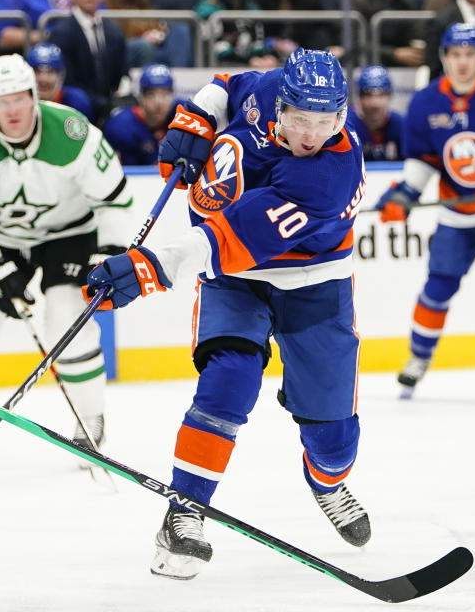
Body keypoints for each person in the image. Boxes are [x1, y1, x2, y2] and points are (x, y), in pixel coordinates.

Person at [86, 48, 370, 579]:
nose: (312, 134)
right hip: (236, 285)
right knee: (229, 380)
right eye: (302, 119)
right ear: (281, 105)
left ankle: (326, 482)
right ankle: (184, 511)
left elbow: (231, 238)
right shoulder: (265, 91)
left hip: (314, 283)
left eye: (326, 121)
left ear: (341, 116)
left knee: (334, 440)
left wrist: (151, 267)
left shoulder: (328, 174)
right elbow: (228, 83)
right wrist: (196, 118)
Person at [0, 53, 134, 453]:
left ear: (35, 96)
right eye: (1, 101)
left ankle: (90, 419)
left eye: (19, 98)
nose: (12, 110)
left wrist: (106, 256)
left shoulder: (72, 133)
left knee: (66, 317)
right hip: (6, 238)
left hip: (72, 234)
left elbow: (114, 202)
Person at [375, 23, 475, 398]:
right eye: (455, 55)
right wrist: (403, 195)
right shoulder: (426, 103)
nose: (463, 62)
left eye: (470, 54)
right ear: (444, 57)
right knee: (437, 288)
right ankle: (419, 356)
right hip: (455, 215)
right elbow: (422, 164)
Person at [48, 0, 128, 125]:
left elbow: (122, 74)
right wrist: (105, 105)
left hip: (110, 109)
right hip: (74, 111)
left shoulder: (114, 32)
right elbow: (66, 81)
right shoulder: (61, 33)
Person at [104, 0, 193, 68]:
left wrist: (159, 33)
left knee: (180, 30)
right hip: (124, 49)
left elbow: (155, 24)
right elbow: (110, 36)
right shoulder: (104, 0)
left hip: (150, 46)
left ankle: (179, 75)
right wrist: (141, 38)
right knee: (143, 46)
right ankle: (148, 81)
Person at [103, 63, 181, 165]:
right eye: (151, 94)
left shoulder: (182, 114)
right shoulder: (121, 126)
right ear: (141, 97)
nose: (159, 102)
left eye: (165, 94)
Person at [195, 0, 275, 69]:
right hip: (216, 68)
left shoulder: (252, 7)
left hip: (249, 65)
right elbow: (213, 48)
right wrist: (248, 61)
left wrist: (265, 56)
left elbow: (259, 42)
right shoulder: (208, 8)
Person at [353, 0, 426, 67]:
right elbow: (356, 43)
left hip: (401, 69)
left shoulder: (406, 4)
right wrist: (393, 54)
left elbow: (414, 34)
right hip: (369, 67)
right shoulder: (362, 3)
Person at [346, 64, 405, 161]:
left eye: (381, 95)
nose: (375, 103)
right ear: (360, 97)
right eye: (368, 95)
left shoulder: (400, 125)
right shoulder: (345, 125)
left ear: (389, 97)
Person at [26, 42, 94, 121]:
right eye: (37, 71)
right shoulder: (17, 104)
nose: (43, 79)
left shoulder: (78, 102)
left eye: (50, 72)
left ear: (61, 76)